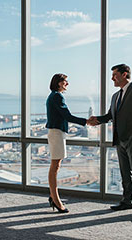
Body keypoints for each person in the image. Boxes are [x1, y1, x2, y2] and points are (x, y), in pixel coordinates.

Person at [91, 64, 132, 222]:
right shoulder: (115, 96)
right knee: (125, 173)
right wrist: (95, 120)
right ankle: (127, 201)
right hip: (120, 141)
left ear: (125, 74)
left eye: (114, 75)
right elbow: (109, 116)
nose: (112, 78)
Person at [46, 73, 97, 213]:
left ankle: (52, 196)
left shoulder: (54, 96)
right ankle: (55, 199)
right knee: (55, 167)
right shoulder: (57, 96)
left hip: (57, 133)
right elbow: (67, 116)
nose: (67, 84)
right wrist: (86, 121)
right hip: (56, 133)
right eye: (65, 81)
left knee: (56, 165)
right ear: (58, 83)